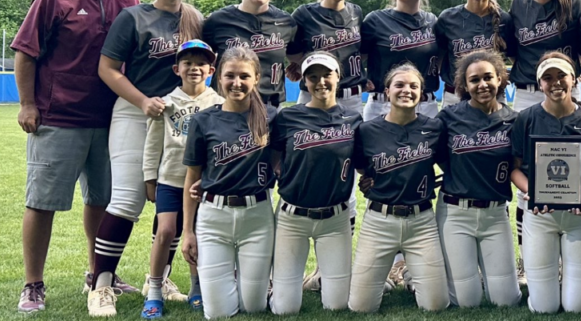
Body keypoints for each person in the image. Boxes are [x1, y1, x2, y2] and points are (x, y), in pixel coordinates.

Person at [12, 0, 140, 314]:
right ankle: (33, 283)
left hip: (111, 121)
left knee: (102, 201)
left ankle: (98, 275)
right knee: (42, 203)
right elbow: (24, 52)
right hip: (59, 117)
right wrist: (28, 104)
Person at [88, 0, 205, 316]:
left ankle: (160, 276)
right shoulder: (134, 16)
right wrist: (141, 101)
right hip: (135, 114)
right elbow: (107, 69)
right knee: (126, 200)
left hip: (178, 117)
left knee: (173, 198)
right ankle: (101, 283)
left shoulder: (195, 19)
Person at [508, 0, 581, 283]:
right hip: (527, 90)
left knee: (574, 164)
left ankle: (579, 253)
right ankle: (531, 260)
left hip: (566, 88)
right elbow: (511, 48)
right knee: (527, 171)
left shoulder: (575, 3)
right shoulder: (518, 5)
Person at [509, 51, 581, 313]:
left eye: (561, 76)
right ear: (539, 83)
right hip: (540, 212)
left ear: (574, 79)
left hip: (580, 213)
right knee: (544, 308)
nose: (555, 83)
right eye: (548, 77)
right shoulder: (526, 118)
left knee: (576, 307)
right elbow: (514, 168)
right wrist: (533, 191)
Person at [180, 47, 275, 319]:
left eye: (244, 76)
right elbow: (192, 178)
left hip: (257, 216)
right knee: (218, 313)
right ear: (218, 78)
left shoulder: (272, 118)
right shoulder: (202, 120)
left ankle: (251, 285)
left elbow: (281, 162)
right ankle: (222, 286)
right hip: (214, 218)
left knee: (254, 306)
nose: (236, 83)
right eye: (229, 75)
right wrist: (188, 231)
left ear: (257, 78)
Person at [347, 64, 449, 313]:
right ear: (387, 91)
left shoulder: (435, 128)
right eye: (400, 85)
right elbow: (362, 167)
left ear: (422, 93)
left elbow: (447, 163)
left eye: (414, 86)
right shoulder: (367, 130)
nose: (407, 90)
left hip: (421, 221)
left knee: (436, 305)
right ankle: (392, 273)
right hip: (379, 220)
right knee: (361, 307)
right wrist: (369, 179)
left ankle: (406, 271)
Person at [269, 52, 362, 314]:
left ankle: (337, 279)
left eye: (327, 75)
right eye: (313, 77)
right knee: (284, 309)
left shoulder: (353, 119)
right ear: (305, 82)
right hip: (292, 217)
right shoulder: (288, 117)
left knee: (337, 305)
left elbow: (364, 163)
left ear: (338, 77)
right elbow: (273, 157)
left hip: (335, 218)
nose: (321, 82)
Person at [141, 39, 223, 317]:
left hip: (204, 183)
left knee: (197, 235)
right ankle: (155, 289)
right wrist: (149, 178)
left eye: (201, 64)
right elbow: (153, 144)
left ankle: (196, 287)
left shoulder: (219, 103)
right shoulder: (166, 103)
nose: (194, 69)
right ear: (177, 68)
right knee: (165, 232)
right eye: (188, 63)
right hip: (170, 180)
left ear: (211, 69)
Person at [435, 51, 521, 307]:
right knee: (466, 301)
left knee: (506, 300)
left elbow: (521, 165)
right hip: (456, 212)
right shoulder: (448, 117)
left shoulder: (514, 120)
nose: (482, 85)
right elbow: (430, 155)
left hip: (495, 214)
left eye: (488, 77)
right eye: (474, 80)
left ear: (500, 79)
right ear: (464, 85)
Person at [203, 0, 297, 116]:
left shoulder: (286, 22)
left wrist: (298, 66)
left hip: (270, 108)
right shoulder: (218, 20)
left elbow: (299, 57)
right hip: (227, 107)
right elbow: (199, 60)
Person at [361, 0, 441, 119]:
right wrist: (359, 79)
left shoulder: (433, 21)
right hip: (383, 104)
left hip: (424, 105)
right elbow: (354, 56)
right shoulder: (376, 20)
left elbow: (443, 59)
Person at [287, 0, 365, 112]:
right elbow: (291, 51)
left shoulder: (356, 12)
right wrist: (304, 65)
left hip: (350, 97)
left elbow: (361, 51)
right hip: (314, 93)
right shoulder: (304, 14)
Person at [435, 0, 514, 107]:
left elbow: (514, 58)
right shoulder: (447, 18)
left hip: (492, 96)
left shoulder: (504, 19)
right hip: (455, 97)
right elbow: (438, 59)